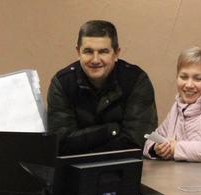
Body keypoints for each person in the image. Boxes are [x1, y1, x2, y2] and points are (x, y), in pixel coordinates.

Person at [47, 20, 157, 155]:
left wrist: (84, 142)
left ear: (116, 53)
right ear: (78, 52)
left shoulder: (136, 81)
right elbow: (60, 143)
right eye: (88, 51)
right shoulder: (62, 83)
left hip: (123, 165)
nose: (95, 60)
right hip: (74, 167)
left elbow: (137, 142)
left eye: (103, 52)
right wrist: (110, 130)